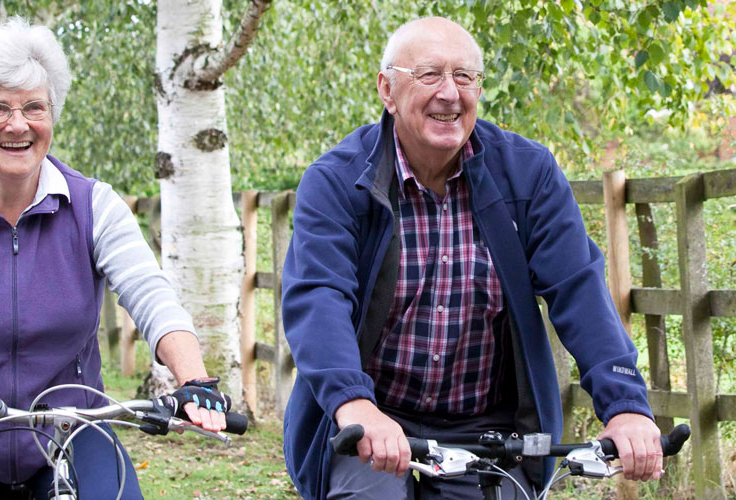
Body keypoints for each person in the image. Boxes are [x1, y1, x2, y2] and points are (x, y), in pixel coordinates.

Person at [280, 16, 663, 499]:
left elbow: (578, 288)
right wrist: (354, 403)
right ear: (387, 90)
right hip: (374, 417)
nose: (449, 93)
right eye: (429, 75)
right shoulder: (336, 182)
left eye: (464, 77)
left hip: (486, 426)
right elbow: (319, 298)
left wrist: (625, 404)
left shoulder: (527, 174)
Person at [0, 17, 230, 500]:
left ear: (52, 116)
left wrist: (194, 379)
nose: (19, 125)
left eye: (34, 107)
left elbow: (152, 296)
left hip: (74, 437)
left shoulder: (93, 205)